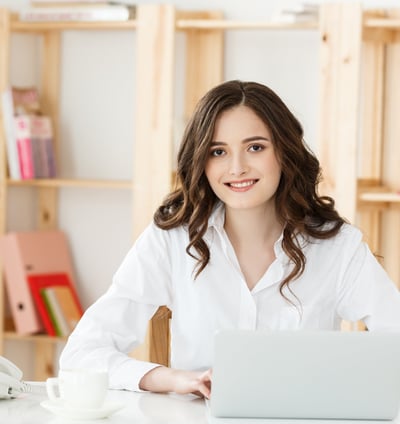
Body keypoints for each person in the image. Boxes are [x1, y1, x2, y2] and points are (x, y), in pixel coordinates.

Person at [60, 80, 400, 399]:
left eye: (255, 147)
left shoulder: (337, 247)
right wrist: (175, 379)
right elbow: (82, 354)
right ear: (201, 162)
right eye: (218, 151)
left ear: (284, 152)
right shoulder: (172, 240)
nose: (236, 168)